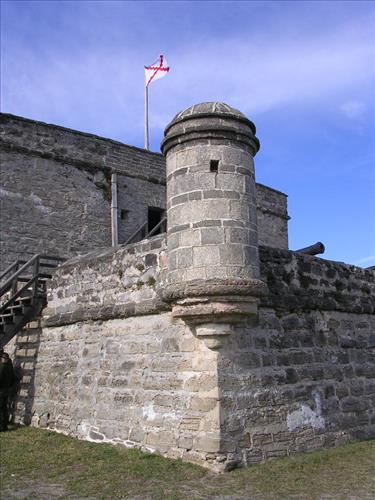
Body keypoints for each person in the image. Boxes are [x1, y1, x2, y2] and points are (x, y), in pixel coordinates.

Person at [0, 350, 15, 432]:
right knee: (5, 408)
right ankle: (5, 425)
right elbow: (13, 379)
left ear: (3, 359)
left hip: (1, 391)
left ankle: (2, 427)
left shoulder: (2, 367)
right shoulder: (10, 367)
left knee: (1, 409)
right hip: (6, 390)